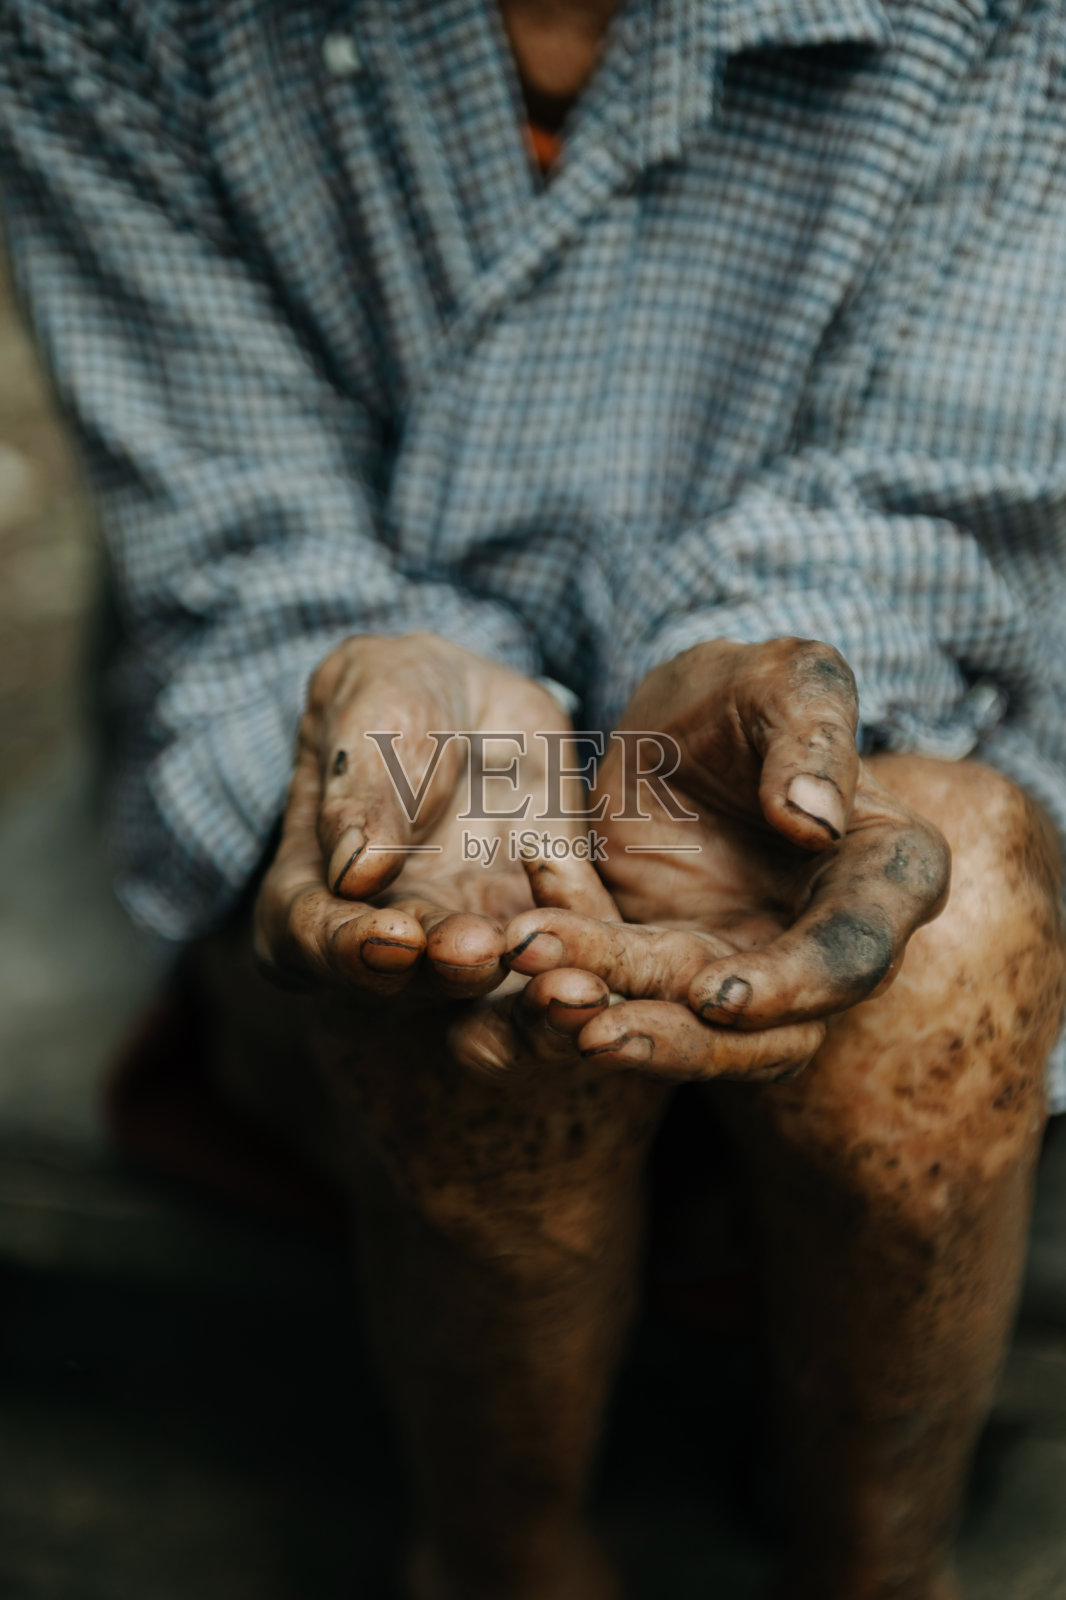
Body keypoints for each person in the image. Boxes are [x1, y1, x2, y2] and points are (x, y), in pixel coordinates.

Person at [2, 1, 1065, 1595]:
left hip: (865, 708)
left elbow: (938, 496)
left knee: (955, 913)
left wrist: (721, 688)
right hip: (340, 769)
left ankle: (872, 1563)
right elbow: (248, 536)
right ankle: (503, 1556)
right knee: (450, 907)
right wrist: (407, 678)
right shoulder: (111, 22)